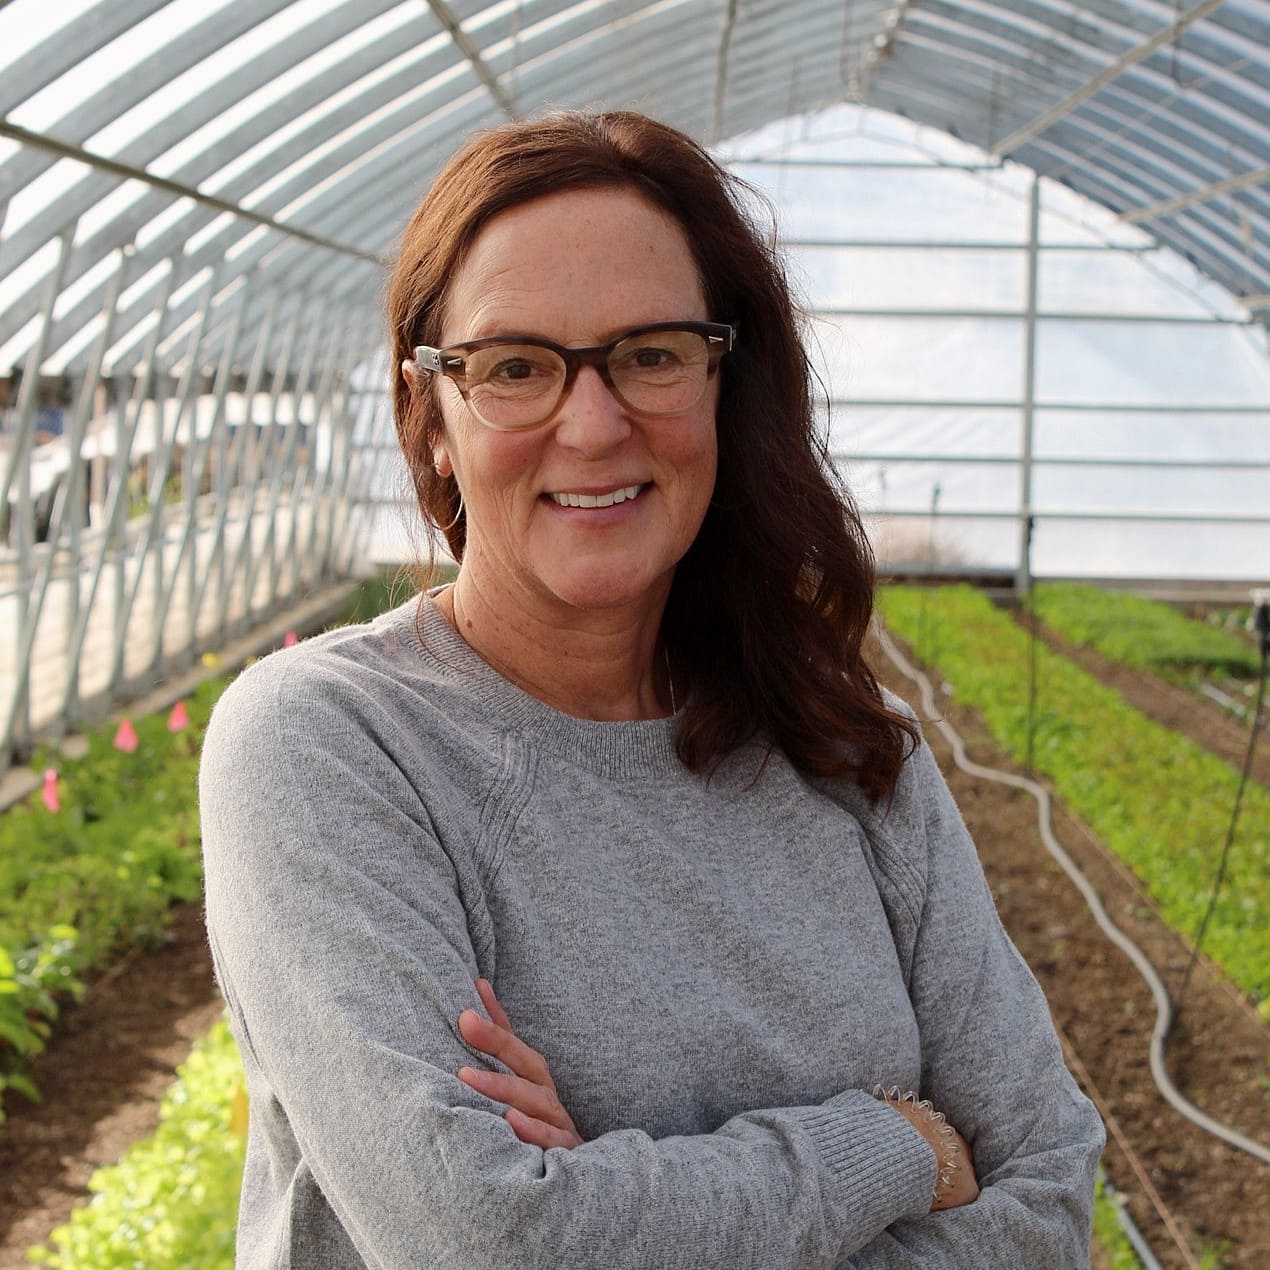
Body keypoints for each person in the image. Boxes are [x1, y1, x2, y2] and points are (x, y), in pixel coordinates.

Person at [200, 110, 1104, 1268]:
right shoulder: (331, 744)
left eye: (652, 354)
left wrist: (613, 1200)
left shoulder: (850, 751)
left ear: (726, 385)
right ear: (431, 420)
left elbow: (1047, 1201)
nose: (592, 423)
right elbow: (488, 1243)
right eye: (516, 366)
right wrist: (884, 1148)